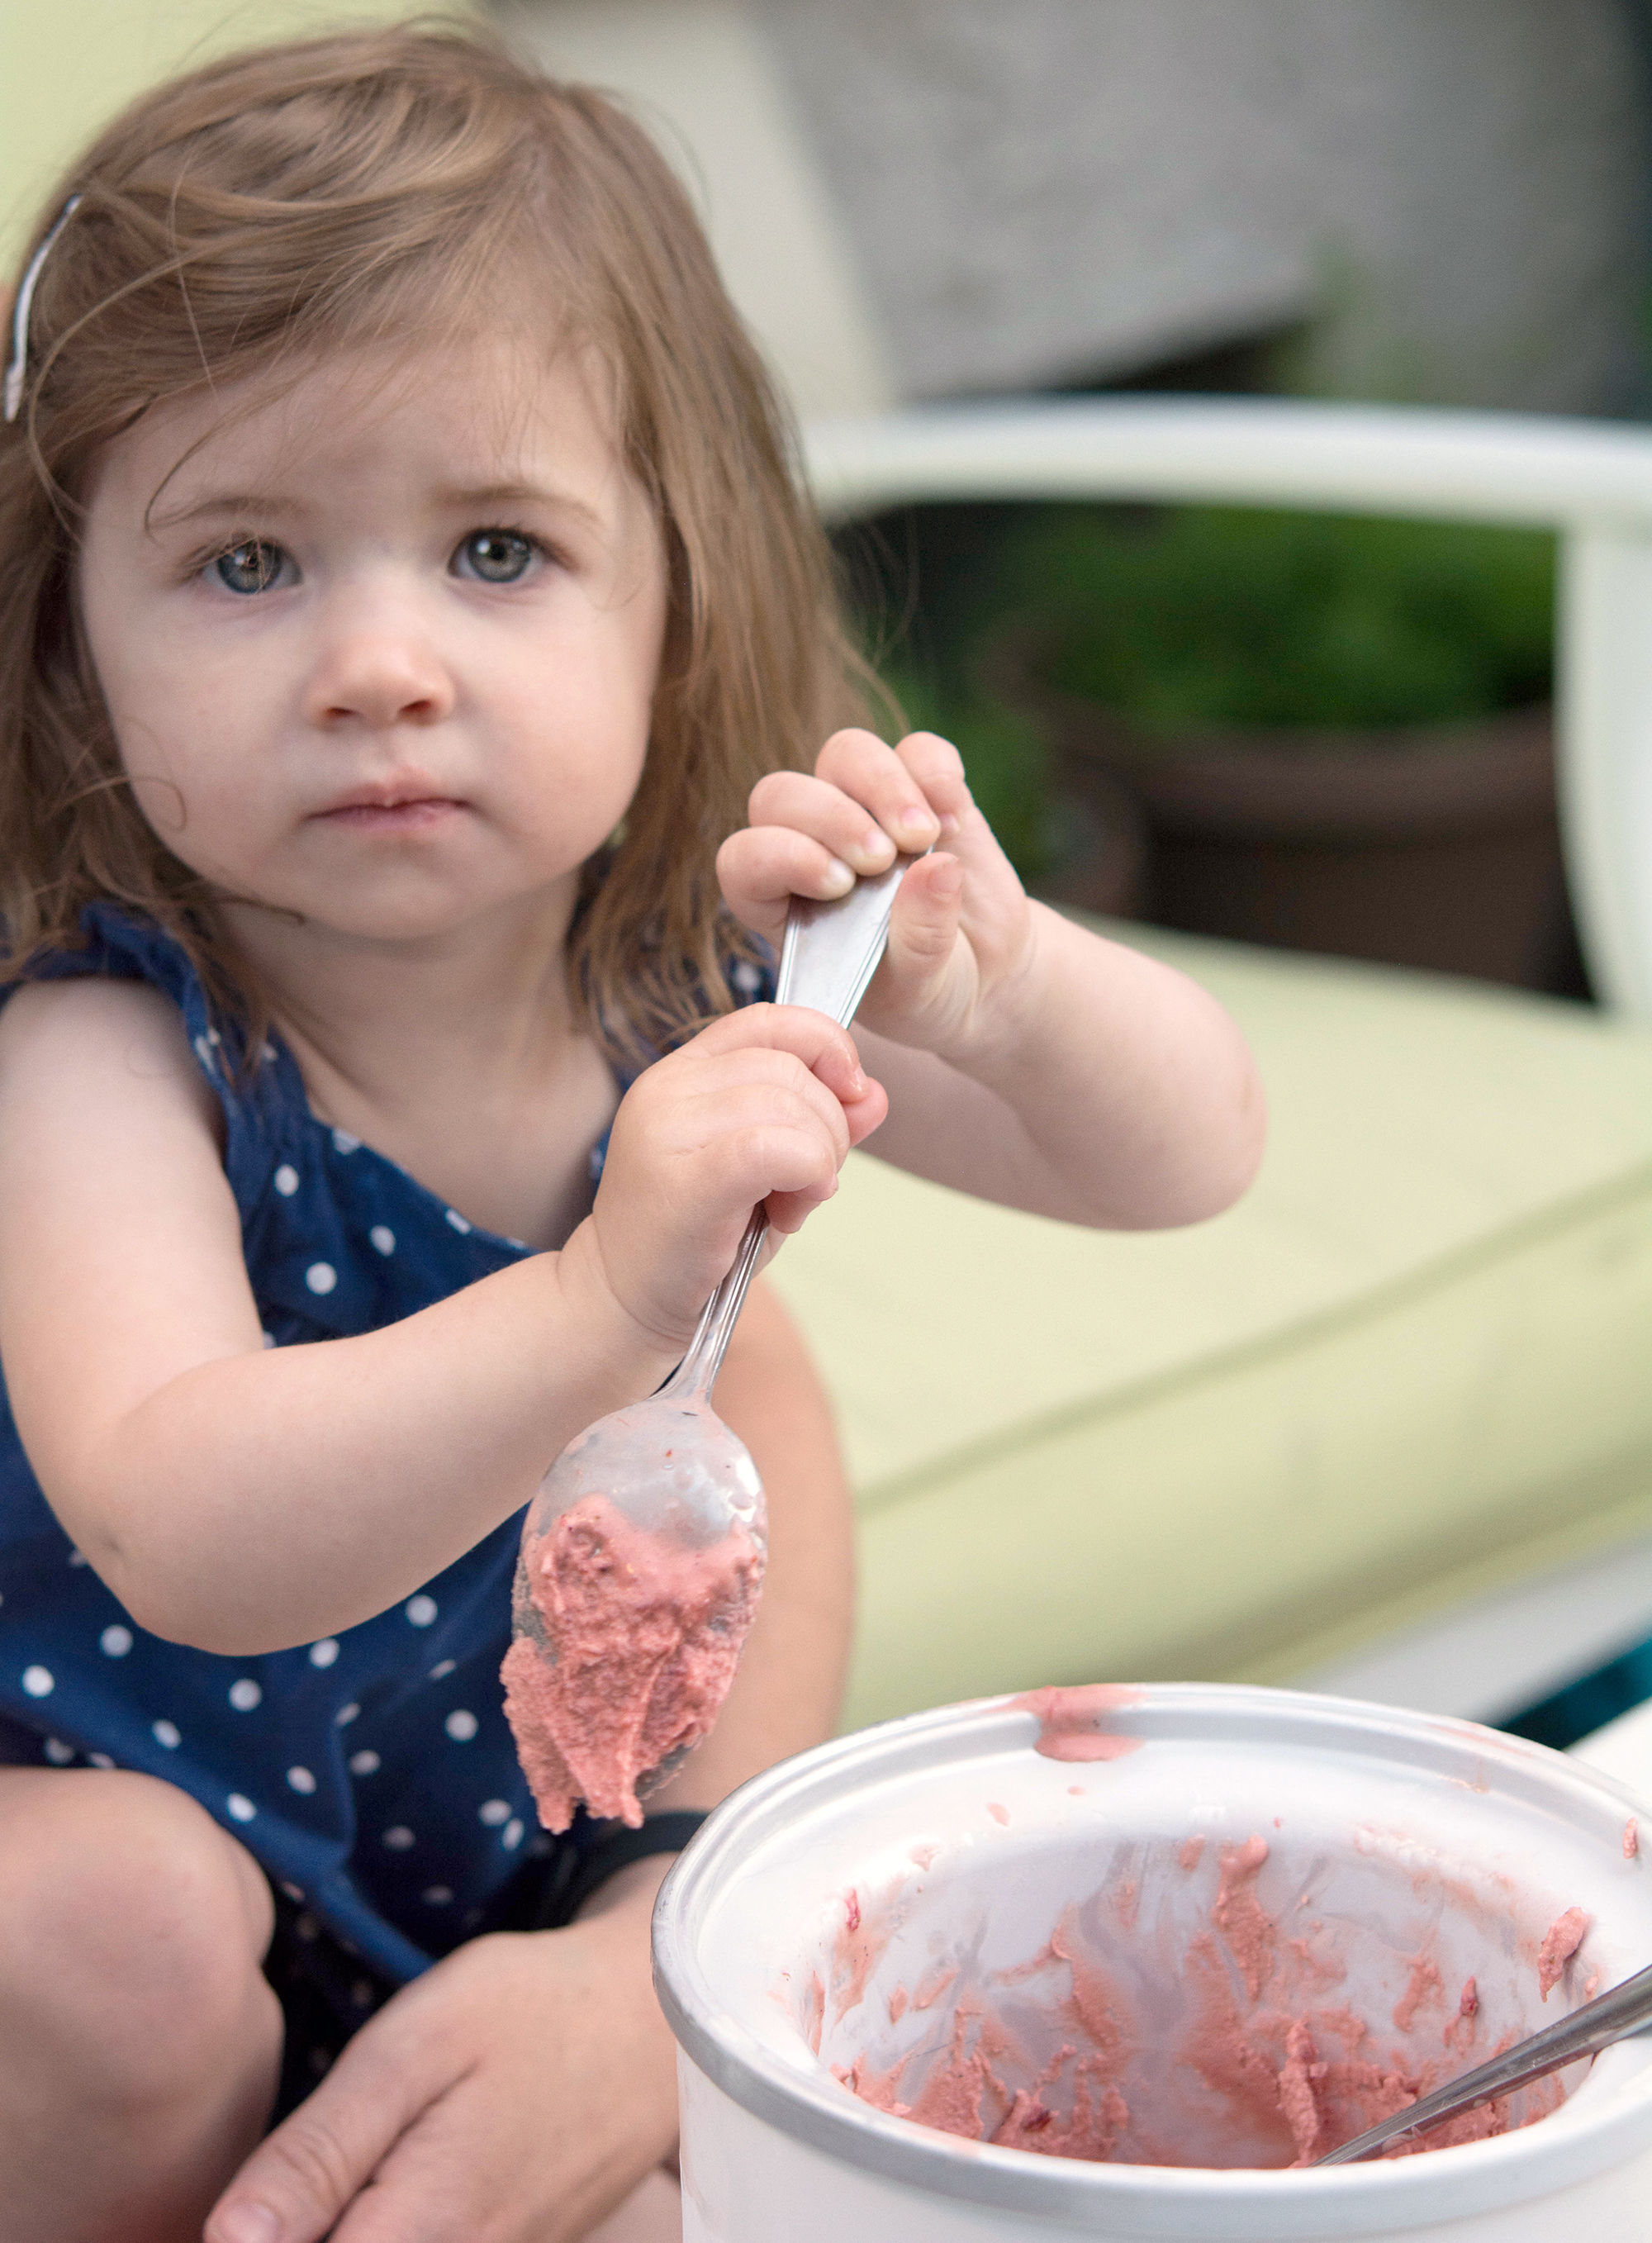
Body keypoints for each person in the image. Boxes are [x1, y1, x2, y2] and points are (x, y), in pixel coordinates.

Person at [0, 23, 1265, 2243]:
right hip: (93, 1835)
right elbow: (191, 1527)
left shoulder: (687, 969)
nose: (379, 662)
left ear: (672, 600)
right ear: (70, 651)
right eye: (242, 564)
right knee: (120, 1937)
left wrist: (1009, 981)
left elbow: (1186, 1158)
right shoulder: (109, 1049)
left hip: (502, 1869)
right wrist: (598, 1298)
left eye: (496, 547)